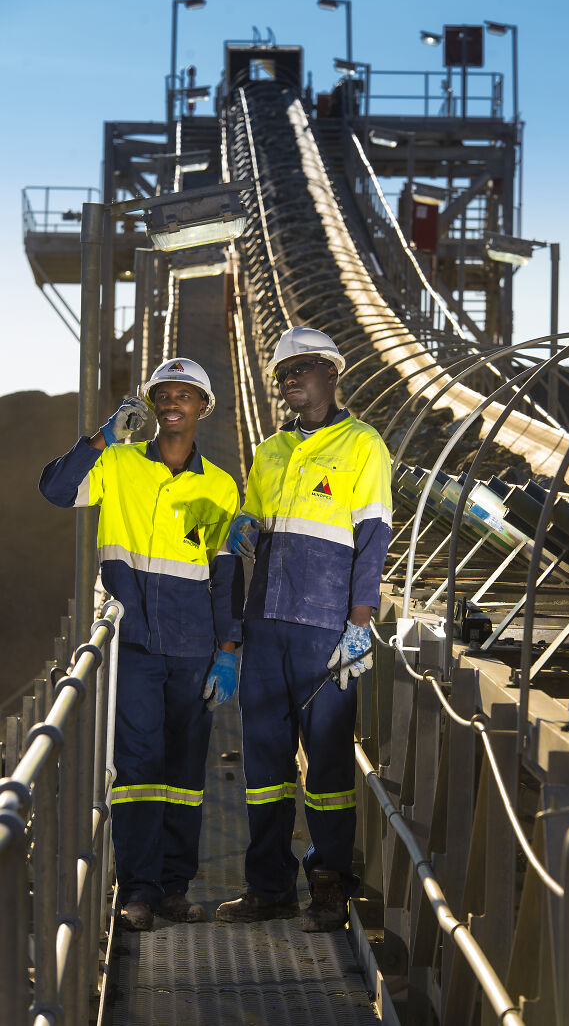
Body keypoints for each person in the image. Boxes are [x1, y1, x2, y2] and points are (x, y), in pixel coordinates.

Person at [39, 358, 244, 932]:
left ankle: (176, 888)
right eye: (164, 394)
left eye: (185, 394)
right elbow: (56, 489)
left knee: (184, 775)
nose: (173, 402)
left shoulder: (221, 485)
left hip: (195, 646)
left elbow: (226, 574)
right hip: (133, 644)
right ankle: (138, 891)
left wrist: (229, 650)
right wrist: (103, 434)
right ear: (152, 405)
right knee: (136, 771)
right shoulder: (119, 464)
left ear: (203, 406)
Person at [216, 326, 392, 932]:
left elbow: (372, 538)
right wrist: (242, 523)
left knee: (328, 765)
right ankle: (268, 887)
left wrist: (359, 624)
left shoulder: (363, 444)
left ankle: (327, 885)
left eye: (304, 368)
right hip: (266, 623)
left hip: (325, 630)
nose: (292, 378)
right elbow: (254, 521)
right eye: (284, 372)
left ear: (332, 373)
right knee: (265, 768)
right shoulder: (269, 451)